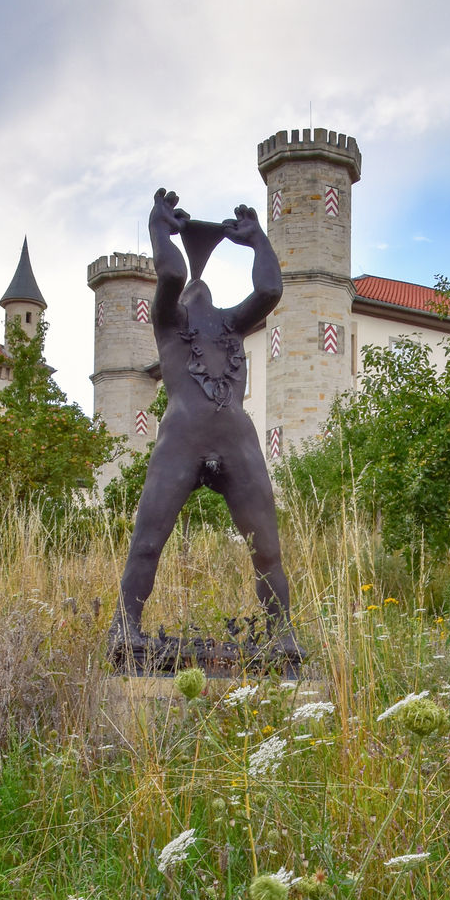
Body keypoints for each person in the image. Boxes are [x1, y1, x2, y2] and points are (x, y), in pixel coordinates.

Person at [109, 187, 301, 672]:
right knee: (149, 538)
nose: (199, 288)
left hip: (237, 441)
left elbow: (271, 291)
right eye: (193, 289)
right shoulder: (170, 323)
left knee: (268, 549)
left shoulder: (232, 325)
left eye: (204, 287)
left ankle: (283, 634)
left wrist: (259, 241)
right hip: (182, 439)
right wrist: (159, 226)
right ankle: (125, 623)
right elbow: (173, 274)